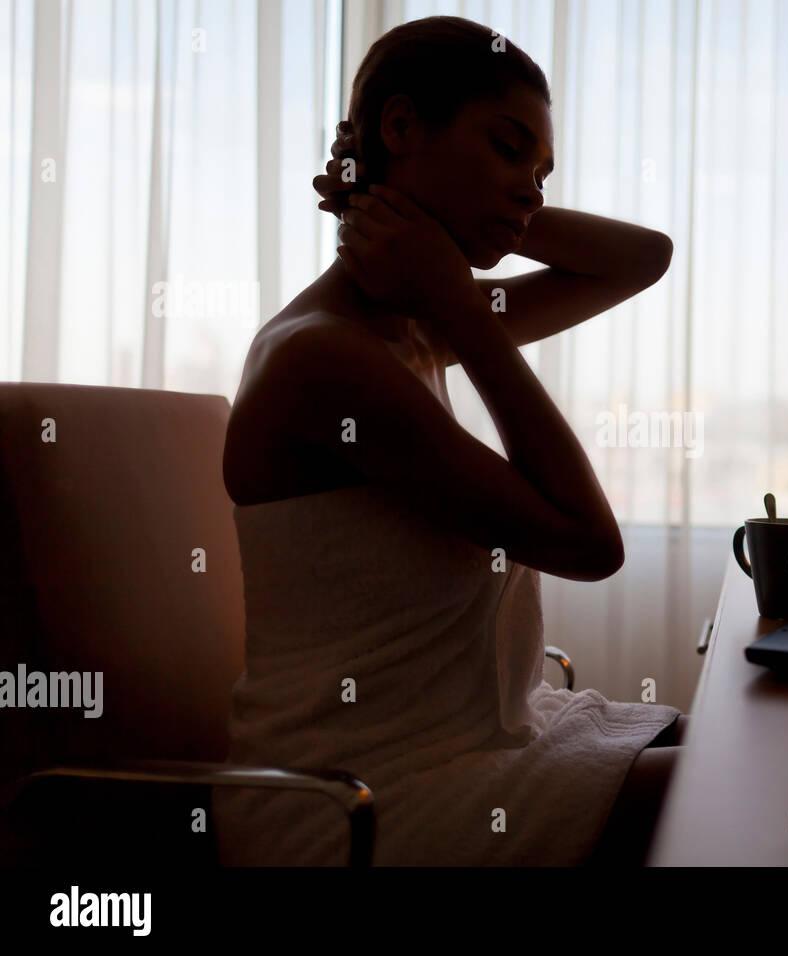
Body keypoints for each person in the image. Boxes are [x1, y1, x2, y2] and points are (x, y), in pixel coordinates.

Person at [212, 15, 686, 867]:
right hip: (354, 798)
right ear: (401, 126)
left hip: (470, 749)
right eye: (508, 150)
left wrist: (485, 211)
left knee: (734, 750)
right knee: (739, 791)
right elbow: (589, 544)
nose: (532, 190)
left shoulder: (412, 326)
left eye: (542, 174)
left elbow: (642, 257)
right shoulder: (325, 356)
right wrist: (464, 298)